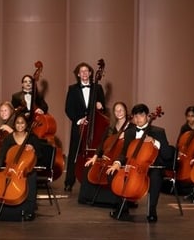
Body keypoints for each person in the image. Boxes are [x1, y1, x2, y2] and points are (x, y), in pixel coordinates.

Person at [106, 103, 172, 222]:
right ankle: (123, 208)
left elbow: (168, 155)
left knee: (156, 176)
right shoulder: (130, 132)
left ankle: (152, 211)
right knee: (112, 173)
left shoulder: (159, 132)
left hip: (152, 166)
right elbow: (124, 153)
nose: (138, 119)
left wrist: (155, 142)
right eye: (135, 116)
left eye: (141, 115)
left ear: (147, 116)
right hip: (133, 166)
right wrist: (117, 163)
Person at [0, 113, 45, 221]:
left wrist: (33, 149)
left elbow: (41, 155)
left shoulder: (32, 137)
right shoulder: (9, 138)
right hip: (11, 168)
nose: (20, 125)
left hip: (26, 169)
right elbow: (2, 154)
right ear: (14, 124)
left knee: (31, 177)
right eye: (18, 123)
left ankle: (29, 210)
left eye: (22, 123)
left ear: (26, 124)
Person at [63, 62, 106, 192]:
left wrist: (100, 106)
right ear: (78, 74)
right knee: (74, 153)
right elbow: (68, 109)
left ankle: (95, 178)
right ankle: (69, 181)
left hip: (94, 125)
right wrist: (78, 120)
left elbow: (102, 106)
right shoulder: (73, 89)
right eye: (81, 71)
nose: (84, 73)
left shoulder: (97, 88)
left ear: (91, 73)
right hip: (79, 125)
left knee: (96, 151)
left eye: (86, 71)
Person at [80, 101, 130, 205]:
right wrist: (94, 157)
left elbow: (128, 148)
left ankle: (113, 200)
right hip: (107, 158)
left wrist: (127, 135)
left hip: (122, 159)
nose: (119, 112)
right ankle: (87, 197)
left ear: (125, 111)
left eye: (121, 110)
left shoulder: (131, 128)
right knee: (88, 167)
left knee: (111, 173)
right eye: (116, 110)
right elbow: (101, 144)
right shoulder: (110, 128)